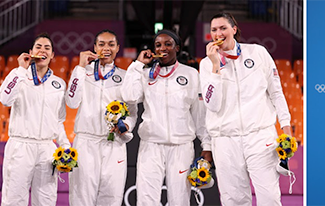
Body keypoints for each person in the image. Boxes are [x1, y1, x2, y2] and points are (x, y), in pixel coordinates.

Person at [199, 13, 292, 206]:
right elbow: (212, 105)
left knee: (269, 197)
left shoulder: (258, 53)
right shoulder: (207, 64)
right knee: (234, 200)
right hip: (225, 141)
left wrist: (286, 128)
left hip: (260, 136)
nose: (218, 33)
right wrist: (216, 66)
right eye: (214, 30)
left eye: (223, 28)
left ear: (234, 29)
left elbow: (276, 93)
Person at [120, 29, 211, 206]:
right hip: (151, 146)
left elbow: (200, 115)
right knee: (146, 199)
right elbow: (129, 96)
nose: (163, 48)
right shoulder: (145, 74)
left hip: (182, 147)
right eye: (158, 45)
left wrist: (207, 144)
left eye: (168, 44)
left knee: (179, 200)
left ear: (177, 48)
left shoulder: (191, 75)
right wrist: (138, 65)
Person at [66, 29, 137, 206]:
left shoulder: (124, 76)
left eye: (111, 44)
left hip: (114, 143)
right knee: (81, 196)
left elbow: (132, 110)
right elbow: (72, 101)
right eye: (102, 44)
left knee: (111, 196)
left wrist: (126, 125)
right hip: (86, 142)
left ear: (118, 48)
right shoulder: (83, 72)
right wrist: (80, 67)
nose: (106, 48)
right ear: (94, 47)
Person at [0, 33, 71, 206]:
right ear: (31, 51)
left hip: (47, 149)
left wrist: (65, 145)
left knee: (46, 200)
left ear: (52, 55)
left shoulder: (59, 84)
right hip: (20, 146)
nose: (42, 50)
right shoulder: (20, 76)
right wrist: (21, 70)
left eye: (47, 48)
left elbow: (58, 120)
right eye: (38, 47)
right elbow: (4, 99)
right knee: (14, 200)